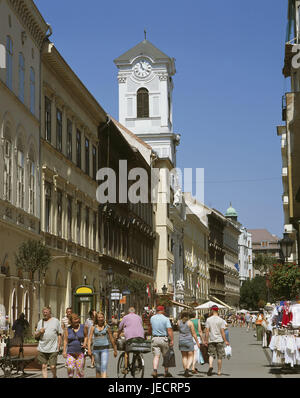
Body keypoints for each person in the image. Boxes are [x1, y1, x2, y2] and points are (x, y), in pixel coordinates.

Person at [35, 306, 63, 378]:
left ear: (50, 313)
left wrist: (59, 345)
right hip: (42, 347)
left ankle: (54, 376)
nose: (45, 314)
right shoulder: (40, 322)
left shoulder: (56, 321)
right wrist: (40, 332)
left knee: (53, 366)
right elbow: (36, 335)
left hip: (53, 348)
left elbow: (59, 334)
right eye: (44, 312)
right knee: (44, 366)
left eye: (46, 312)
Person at [88, 311, 117, 378]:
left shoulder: (107, 327)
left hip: (104, 349)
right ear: (96, 318)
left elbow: (111, 338)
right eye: (99, 317)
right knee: (98, 368)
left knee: (103, 366)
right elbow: (90, 338)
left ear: (104, 318)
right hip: (96, 349)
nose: (100, 319)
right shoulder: (93, 327)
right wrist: (89, 349)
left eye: (102, 317)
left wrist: (115, 349)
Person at [148, 305, 174, 378]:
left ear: (157, 311)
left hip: (155, 339)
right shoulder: (166, 319)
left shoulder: (152, 318)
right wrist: (172, 340)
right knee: (165, 356)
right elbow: (169, 330)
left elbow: (150, 328)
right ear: (163, 311)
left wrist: (149, 333)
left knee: (156, 356)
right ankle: (166, 372)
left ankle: (155, 371)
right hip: (164, 339)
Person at [118, 307, 145, 375]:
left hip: (130, 338)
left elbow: (120, 327)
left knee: (127, 352)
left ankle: (126, 369)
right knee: (136, 349)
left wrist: (118, 334)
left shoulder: (125, 317)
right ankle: (138, 362)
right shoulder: (139, 317)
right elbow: (140, 325)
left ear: (128, 312)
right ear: (134, 312)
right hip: (140, 337)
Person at [205, 305, 230, 377]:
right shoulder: (221, 320)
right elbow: (222, 332)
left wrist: (206, 340)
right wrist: (226, 341)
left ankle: (210, 366)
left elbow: (207, 331)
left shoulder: (208, 319)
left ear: (212, 310)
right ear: (217, 310)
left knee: (211, 354)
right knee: (220, 356)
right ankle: (219, 371)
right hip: (219, 340)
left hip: (211, 340)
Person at [63, 313, 88, 378]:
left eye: (77, 319)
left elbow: (86, 336)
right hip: (70, 352)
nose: (77, 320)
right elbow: (65, 341)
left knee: (79, 371)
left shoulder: (83, 327)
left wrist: (85, 343)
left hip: (80, 352)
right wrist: (64, 351)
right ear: (71, 321)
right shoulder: (67, 329)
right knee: (70, 368)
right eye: (75, 319)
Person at [177, 311, 201, 377]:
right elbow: (193, 333)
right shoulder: (190, 323)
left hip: (181, 340)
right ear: (187, 316)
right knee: (191, 355)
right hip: (189, 340)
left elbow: (179, 330)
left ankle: (185, 370)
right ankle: (187, 369)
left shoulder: (178, 322)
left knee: (184, 356)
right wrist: (197, 342)